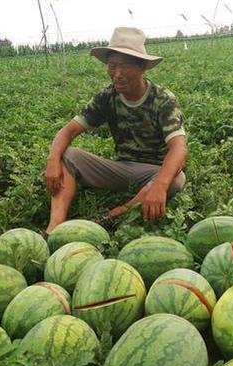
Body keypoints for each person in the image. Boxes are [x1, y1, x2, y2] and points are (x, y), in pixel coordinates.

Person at [44, 27, 188, 235]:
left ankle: (115, 215)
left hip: (154, 171)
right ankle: (53, 229)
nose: (117, 74)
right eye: (112, 66)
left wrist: (160, 185)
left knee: (176, 179)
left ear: (142, 67)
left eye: (125, 66)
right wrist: (52, 160)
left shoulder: (163, 99)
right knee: (65, 155)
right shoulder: (107, 97)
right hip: (121, 168)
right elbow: (68, 131)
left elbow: (179, 148)